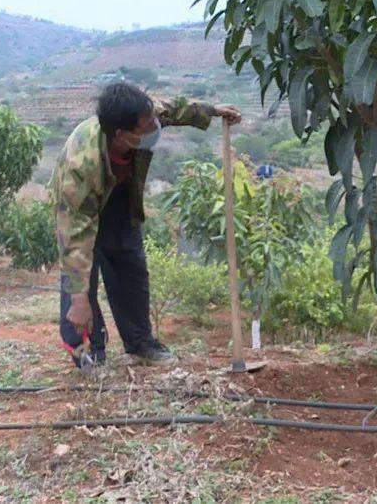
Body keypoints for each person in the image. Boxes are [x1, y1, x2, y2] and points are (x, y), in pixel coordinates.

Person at [50, 82, 241, 367]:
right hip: (81, 206)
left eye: (154, 117)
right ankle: (86, 351)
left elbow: (173, 108)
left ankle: (140, 343)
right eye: (148, 124)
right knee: (79, 283)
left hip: (119, 196)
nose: (156, 124)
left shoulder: (142, 113)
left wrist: (213, 111)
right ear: (123, 135)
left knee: (131, 268)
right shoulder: (80, 168)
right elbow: (75, 240)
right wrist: (79, 299)